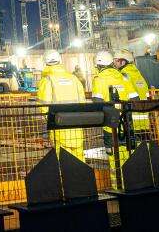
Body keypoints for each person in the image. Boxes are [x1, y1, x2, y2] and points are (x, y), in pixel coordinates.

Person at [91, 50, 138, 188]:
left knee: (114, 158)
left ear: (98, 66)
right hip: (127, 123)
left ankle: (119, 187)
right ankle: (133, 184)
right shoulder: (123, 78)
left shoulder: (99, 79)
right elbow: (135, 99)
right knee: (129, 153)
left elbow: (97, 103)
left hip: (110, 126)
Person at [35, 49, 87, 161]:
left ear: (45, 62)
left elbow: (43, 106)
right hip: (76, 125)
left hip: (58, 126)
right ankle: (81, 178)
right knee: (79, 159)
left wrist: (49, 120)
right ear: (60, 60)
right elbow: (83, 102)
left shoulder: (47, 80)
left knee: (62, 160)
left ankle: (65, 179)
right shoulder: (74, 78)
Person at [114, 49, 152, 142]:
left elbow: (124, 94)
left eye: (116, 61)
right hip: (144, 119)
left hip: (131, 118)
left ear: (123, 62)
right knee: (146, 145)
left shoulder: (124, 75)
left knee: (134, 148)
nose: (114, 64)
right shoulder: (137, 73)